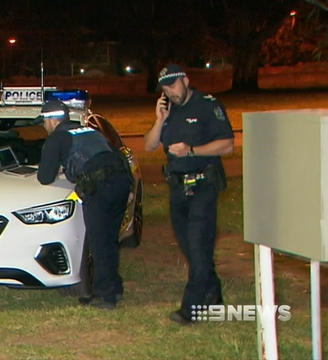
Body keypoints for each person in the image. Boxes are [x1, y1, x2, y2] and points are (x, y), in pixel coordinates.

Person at [143, 64, 234, 324]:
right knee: (192, 248)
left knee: (198, 242)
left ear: (185, 80)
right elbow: (149, 145)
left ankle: (191, 307)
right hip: (177, 187)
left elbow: (227, 144)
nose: (170, 92)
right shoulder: (168, 111)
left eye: (173, 85)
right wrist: (159, 120)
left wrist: (192, 150)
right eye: (165, 88)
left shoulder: (207, 106)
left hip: (203, 184)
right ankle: (212, 292)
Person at [36, 99, 134, 310]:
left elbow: (44, 177)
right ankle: (112, 288)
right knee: (109, 240)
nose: (44, 127)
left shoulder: (57, 138)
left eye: (44, 122)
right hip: (121, 183)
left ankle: (105, 296)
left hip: (99, 188)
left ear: (52, 120)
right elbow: (116, 155)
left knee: (99, 243)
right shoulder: (89, 132)